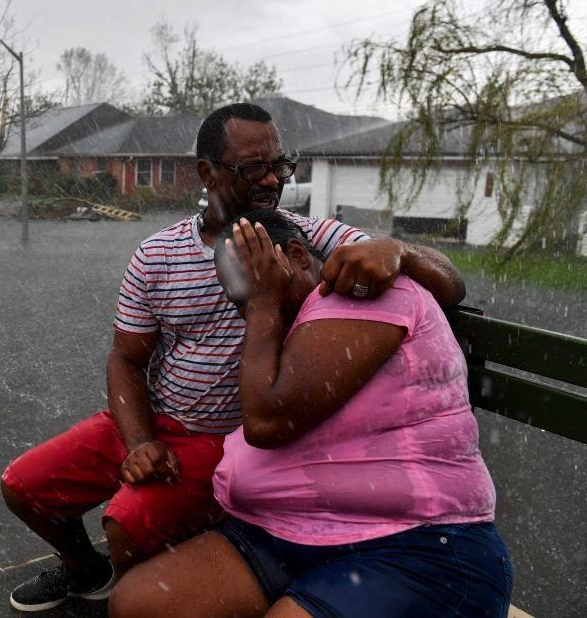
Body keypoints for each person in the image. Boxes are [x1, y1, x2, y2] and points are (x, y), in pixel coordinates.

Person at [0, 103, 467, 613]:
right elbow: (126, 359)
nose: (271, 180)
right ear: (207, 172)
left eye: (280, 166)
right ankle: (89, 573)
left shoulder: (304, 235)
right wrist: (138, 441)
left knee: (127, 523)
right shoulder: (157, 254)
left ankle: (140, 580)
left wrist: (398, 250)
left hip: (221, 439)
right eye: (252, 168)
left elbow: (449, 283)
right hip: (149, 418)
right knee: (24, 488)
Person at [108, 210, 511, 618]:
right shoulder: (289, 324)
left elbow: (269, 421)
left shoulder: (361, 292)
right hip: (276, 534)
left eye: (258, 285)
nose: (247, 314)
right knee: (139, 603)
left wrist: (264, 301)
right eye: (240, 302)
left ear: (298, 256)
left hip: (413, 542)